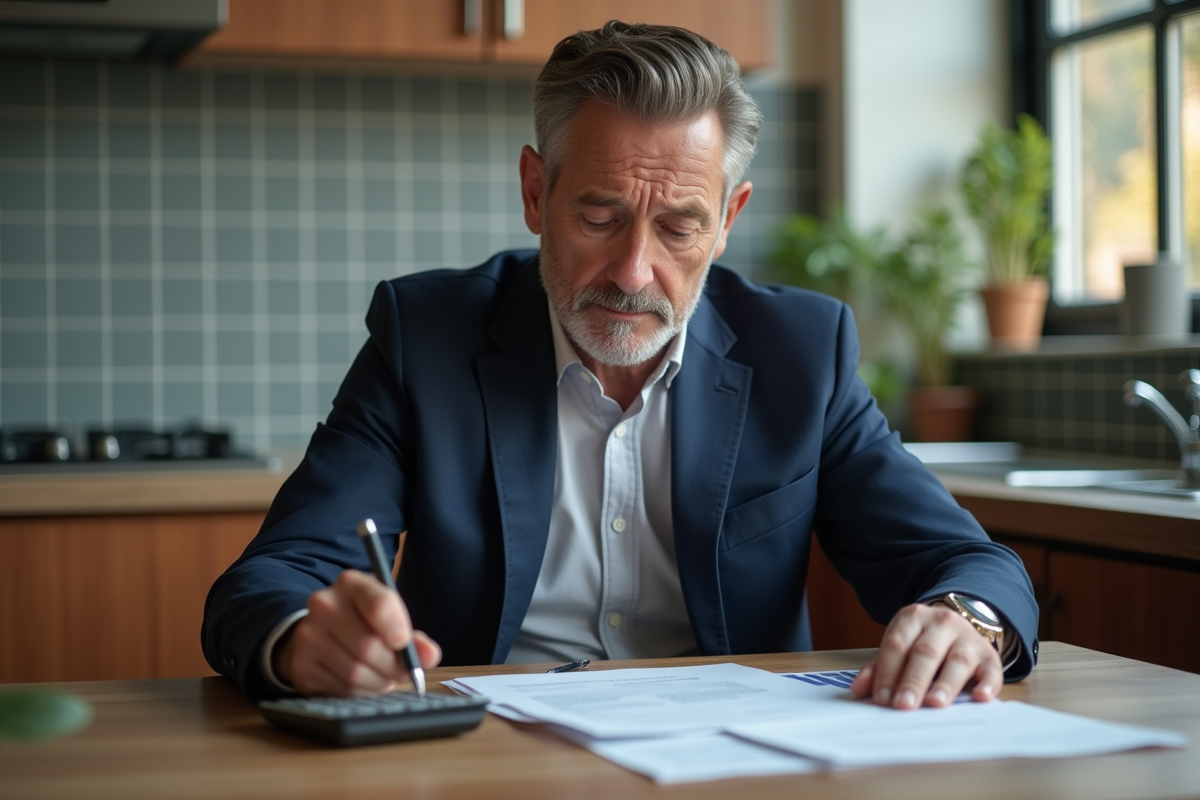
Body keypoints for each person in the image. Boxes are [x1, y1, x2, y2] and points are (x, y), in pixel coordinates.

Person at [202, 21, 1038, 710]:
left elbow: (972, 565)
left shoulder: (801, 354)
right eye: (599, 216)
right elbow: (271, 578)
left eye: (679, 227)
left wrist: (964, 618)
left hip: (740, 765)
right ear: (537, 193)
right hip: (489, 762)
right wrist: (304, 641)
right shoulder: (427, 338)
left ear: (726, 221)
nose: (634, 273)